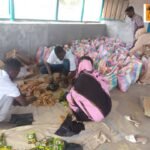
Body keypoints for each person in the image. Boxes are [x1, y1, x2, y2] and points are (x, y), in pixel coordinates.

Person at [67, 56, 112, 122]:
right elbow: (106, 86)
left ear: (80, 66)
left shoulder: (78, 83)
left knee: (72, 103)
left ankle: (89, 115)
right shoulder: (97, 75)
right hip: (108, 107)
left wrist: (69, 92)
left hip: (97, 117)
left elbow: (70, 100)